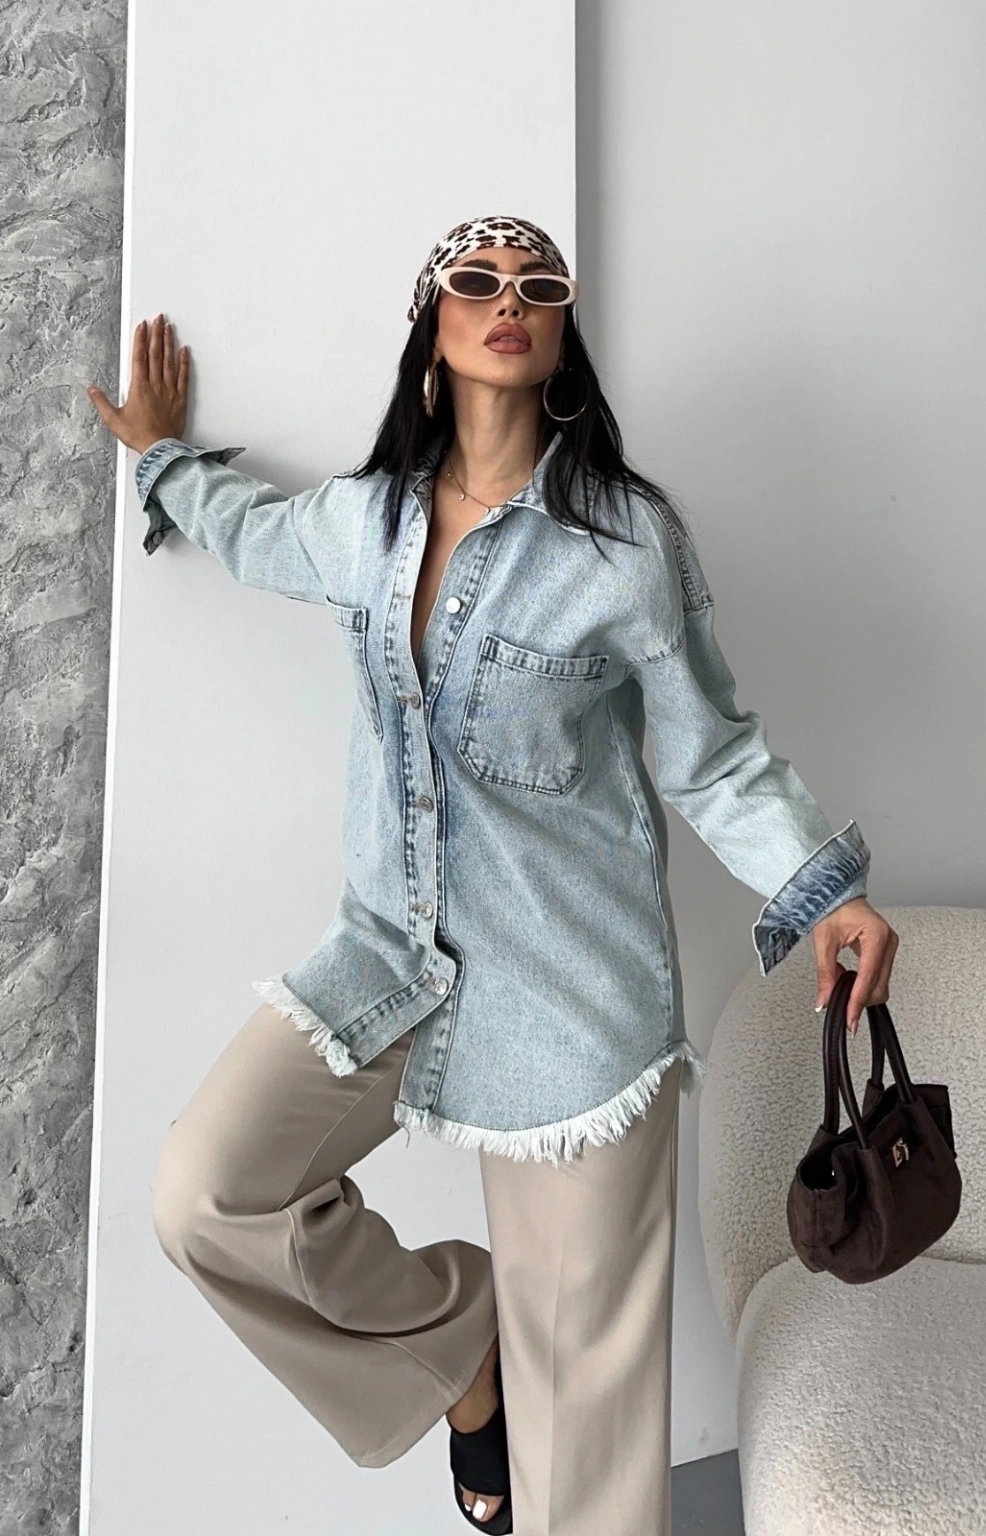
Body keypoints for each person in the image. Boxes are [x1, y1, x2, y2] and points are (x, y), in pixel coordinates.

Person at [86, 213, 898, 1536]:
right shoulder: (364, 523)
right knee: (207, 1197)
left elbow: (710, 757)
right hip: (391, 960)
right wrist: (165, 459)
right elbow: (252, 531)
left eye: (537, 284)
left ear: (562, 337)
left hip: (575, 1004)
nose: (508, 297)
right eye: (477, 281)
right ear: (436, 333)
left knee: (589, 1471)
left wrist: (823, 890)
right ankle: (464, 1350)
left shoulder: (626, 543)